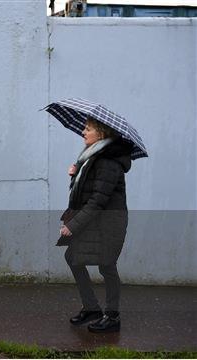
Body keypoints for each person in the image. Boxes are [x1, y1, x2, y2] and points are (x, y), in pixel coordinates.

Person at [58, 116, 133, 333]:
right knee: (73, 258)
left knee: (107, 265)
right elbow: (87, 191)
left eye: (88, 128)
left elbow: (98, 200)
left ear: (101, 134)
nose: (83, 131)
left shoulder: (108, 162)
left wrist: (73, 225)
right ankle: (92, 308)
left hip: (108, 221)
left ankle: (112, 316)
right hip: (95, 219)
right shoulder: (92, 157)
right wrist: (75, 174)